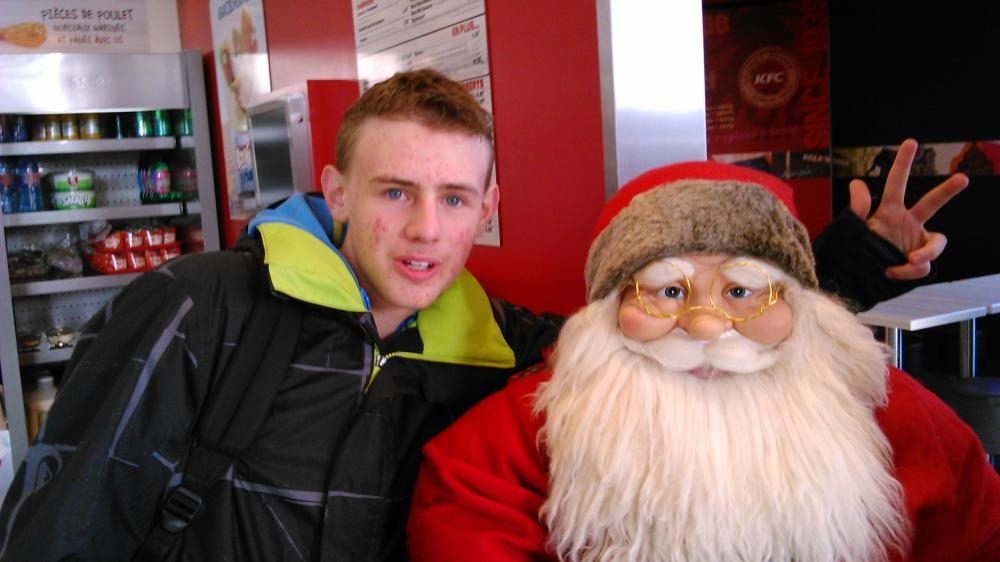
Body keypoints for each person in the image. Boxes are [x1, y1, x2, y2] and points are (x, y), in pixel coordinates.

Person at [0, 63, 968, 561]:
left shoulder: (504, 344)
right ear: (335, 190)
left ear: (488, 207)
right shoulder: (200, 302)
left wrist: (836, 267)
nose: (425, 228)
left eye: (455, 197)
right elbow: (67, 514)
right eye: (394, 191)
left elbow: (669, 321)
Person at [406, 160, 1000, 562]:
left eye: (741, 291)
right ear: (609, 309)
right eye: (667, 291)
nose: (706, 325)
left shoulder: (882, 409)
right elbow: (461, 521)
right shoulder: (534, 423)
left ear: (796, 305)